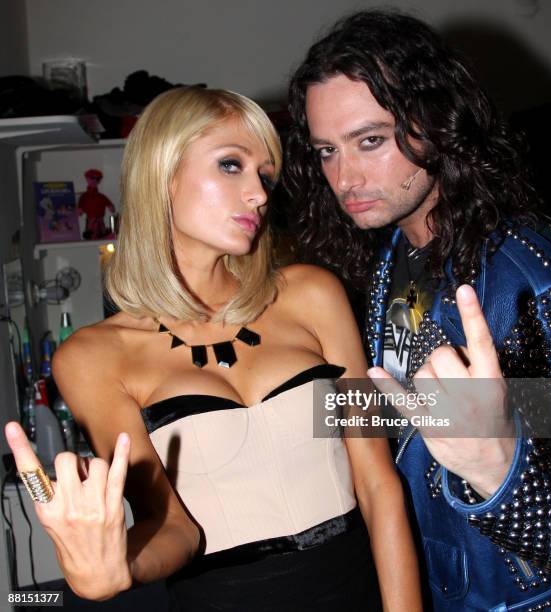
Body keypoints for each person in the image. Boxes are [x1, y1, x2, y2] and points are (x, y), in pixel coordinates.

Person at [4, 86, 422, 611]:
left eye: (264, 175)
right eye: (231, 165)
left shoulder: (312, 296)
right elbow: (172, 525)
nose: (259, 194)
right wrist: (115, 567)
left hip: (356, 587)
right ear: (164, 172)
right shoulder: (93, 357)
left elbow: (377, 480)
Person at [285, 10, 551, 611]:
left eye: (371, 141)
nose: (345, 176)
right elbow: (409, 410)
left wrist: (499, 471)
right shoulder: (385, 258)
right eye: (327, 150)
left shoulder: (532, 276)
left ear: (436, 123)